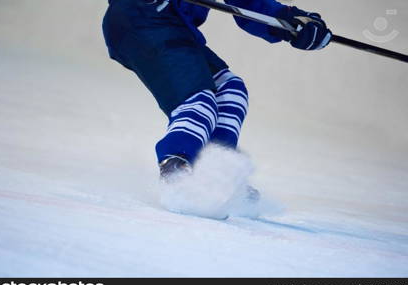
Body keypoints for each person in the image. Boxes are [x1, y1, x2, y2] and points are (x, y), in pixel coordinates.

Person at [102, 0, 332, 180]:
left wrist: (292, 23)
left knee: (230, 91)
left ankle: (213, 172)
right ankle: (177, 168)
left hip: (175, 27)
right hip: (141, 16)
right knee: (198, 99)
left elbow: (249, 4)